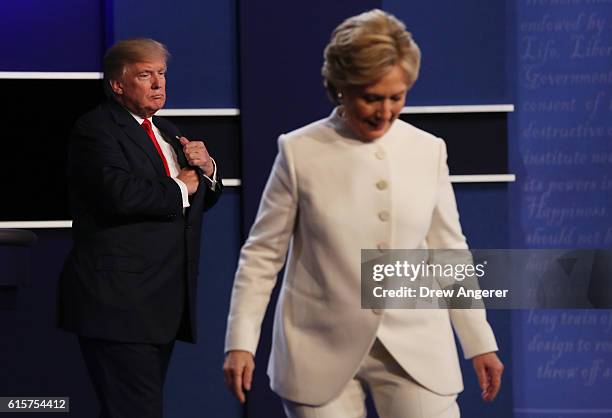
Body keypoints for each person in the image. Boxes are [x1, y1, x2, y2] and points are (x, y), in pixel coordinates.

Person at [223, 9, 503, 418]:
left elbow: (449, 252)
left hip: (417, 345)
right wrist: (241, 340)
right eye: (372, 97)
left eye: (397, 97)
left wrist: (479, 341)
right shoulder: (299, 151)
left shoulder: (428, 150)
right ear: (340, 88)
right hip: (317, 346)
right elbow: (262, 256)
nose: (385, 111)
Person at [58, 38, 222, 418]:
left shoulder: (166, 130)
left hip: (159, 304)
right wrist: (182, 184)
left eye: (161, 74)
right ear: (118, 84)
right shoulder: (96, 129)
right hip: (118, 304)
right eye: (145, 75)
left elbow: (195, 198)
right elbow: (118, 194)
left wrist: (208, 169)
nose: (158, 84)